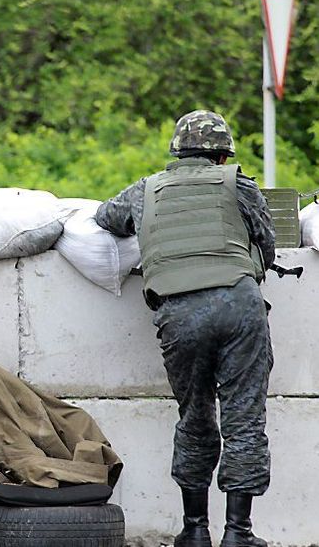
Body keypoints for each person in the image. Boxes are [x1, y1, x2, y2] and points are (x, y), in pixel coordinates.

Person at [95, 110, 275, 547]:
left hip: (179, 313)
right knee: (244, 418)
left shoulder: (146, 190)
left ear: (176, 152)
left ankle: (194, 531)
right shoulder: (239, 184)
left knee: (194, 417)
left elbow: (106, 218)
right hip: (239, 305)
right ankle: (238, 533)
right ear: (222, 154)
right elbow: (267, 245)